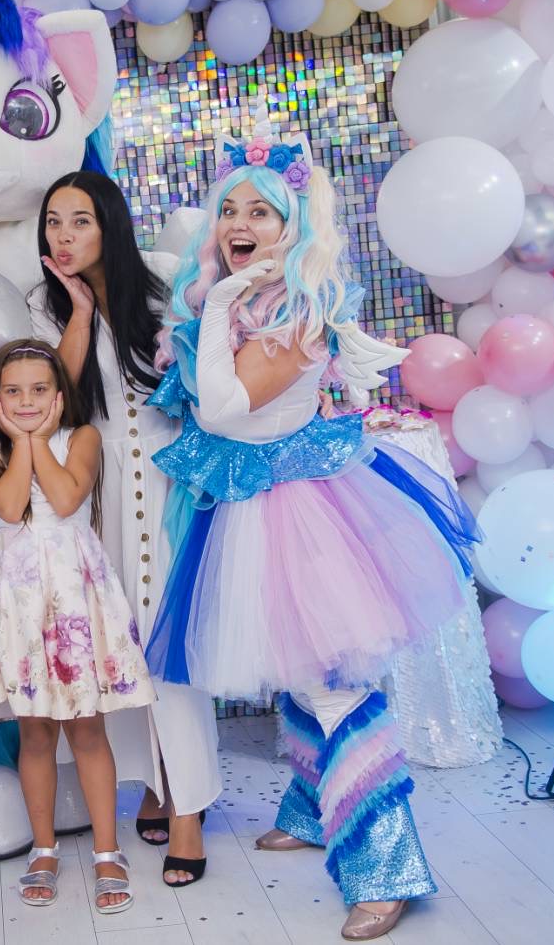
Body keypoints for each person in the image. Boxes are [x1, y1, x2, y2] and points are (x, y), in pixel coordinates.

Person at [144, 121, 478, 941]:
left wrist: (218, 302)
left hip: (301, 509)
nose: (242, 225)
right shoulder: (237, 301)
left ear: (294, 226)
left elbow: (224, 410)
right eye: (231, 210)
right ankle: (308, 807)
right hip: (250, 505)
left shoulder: (297, 310)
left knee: (332, 682)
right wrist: (212, 306)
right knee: (298, 671)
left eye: (263, 210)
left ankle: (386, 866)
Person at [27, 170, 221, 887]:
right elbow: (50, 405)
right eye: (53, 222)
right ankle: (154, 782)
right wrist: (78, 314)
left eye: (79, 220)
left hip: (170, 491)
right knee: (119, 652)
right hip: (98, 500)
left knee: (172, 653)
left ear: (109, 223)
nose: (64, 235)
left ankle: (190, 812)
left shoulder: (164, 290)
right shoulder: (45, 308)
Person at [0, 339, 155, 915]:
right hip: (18, 598)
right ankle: (43, 848)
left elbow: (68, 498)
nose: (27, 400)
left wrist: (39, 439)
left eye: (40, 390)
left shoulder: (85, 439)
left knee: (88, 729)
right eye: (14, 392)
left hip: (72, 592)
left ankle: (106, 850)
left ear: (60, 394)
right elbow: (10, 505)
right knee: (36, 733)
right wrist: (22, 442)